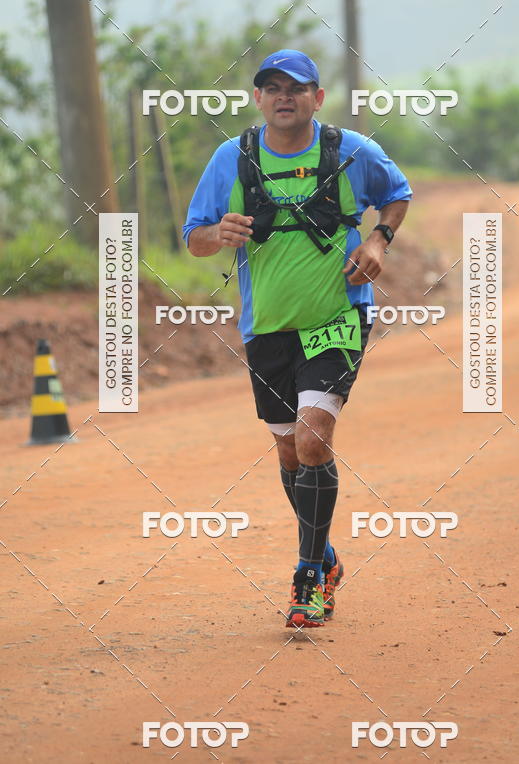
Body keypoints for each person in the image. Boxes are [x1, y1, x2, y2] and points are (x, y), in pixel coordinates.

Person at [183, 49, 412, 628]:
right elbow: (194, 238)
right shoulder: (231, 159)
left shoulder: (352, 152)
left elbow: (398, 192)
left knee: (313, 439)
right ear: (258, 98)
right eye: (273, 88)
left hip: (337, 316)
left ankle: (307, 576)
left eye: (297, 88)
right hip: (266, 327)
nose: (285, 97)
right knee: (289, 450)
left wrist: (378, 240)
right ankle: (327, 555)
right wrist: (218, 232)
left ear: (318, 97)